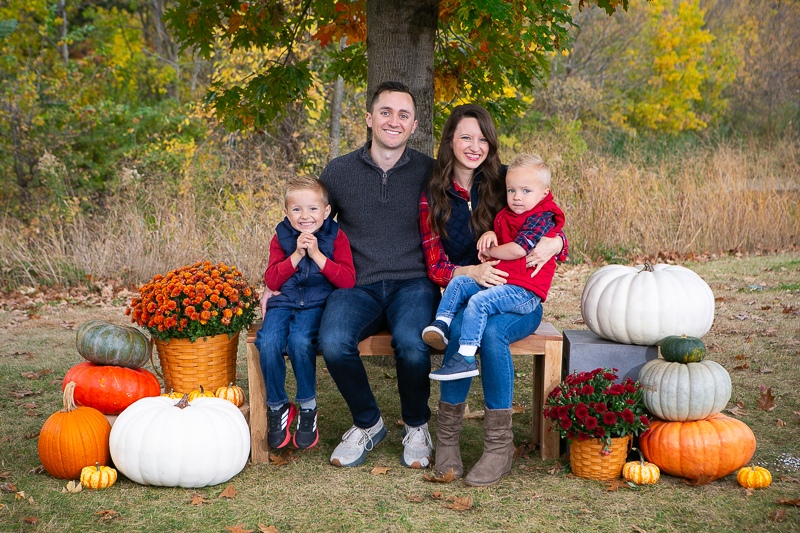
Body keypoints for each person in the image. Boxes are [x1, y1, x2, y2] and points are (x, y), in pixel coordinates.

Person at [419, 104, 567, 487]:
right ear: (450, 140)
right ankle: (448, 441)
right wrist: (472, 272)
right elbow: (436, 266)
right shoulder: (434, 193)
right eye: (466, 137)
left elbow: (547, 218)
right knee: (461, 326)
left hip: (520, 299)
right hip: (473, 289)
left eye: (482, 139)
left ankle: (499, 446)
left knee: (491, 333)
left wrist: (558, 243)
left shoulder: (505, 181)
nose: (475, 146)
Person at [317, 81, 440, 469]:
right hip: (356, 283)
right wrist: (277, 282)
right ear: (370, 118)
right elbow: (308, 223)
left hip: (414, 282)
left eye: (403, 115)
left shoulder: (431, 171)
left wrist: (552, 235)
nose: (393, 121)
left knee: (412, 343)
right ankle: (368, 422)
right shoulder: (339, 172)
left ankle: (417, 425)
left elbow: (485, 186)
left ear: (414, 125)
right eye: (385, 112)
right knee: (333, 341)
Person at [423, 153, 565, 380]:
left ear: (544, 193)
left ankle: (466, 358)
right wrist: (491, 233)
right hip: (501, 281)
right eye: (511, 191)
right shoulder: (506, 212)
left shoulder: (541, 216)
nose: (517, 197)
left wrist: (491, 251)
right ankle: (441, 324)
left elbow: (519, 248)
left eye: (525, 191)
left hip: (524, 290)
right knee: (459, 283)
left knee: (481, 306)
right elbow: (503, 232)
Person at [254, 176, 356, 451]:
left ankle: (308, 407)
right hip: (282, 303)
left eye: (313, 208)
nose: (305, 216)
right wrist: (297, 255)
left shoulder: (336, 236)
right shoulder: (281, 238)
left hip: (316, 304)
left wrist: (317, 254)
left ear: (326, 211)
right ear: (286, 213)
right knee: (268, 342)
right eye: (297, 209)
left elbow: (347, 280)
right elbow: (272, 280)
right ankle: (278, 406)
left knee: (300, 342)